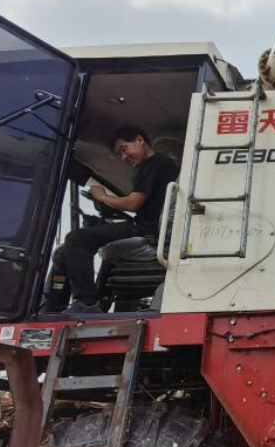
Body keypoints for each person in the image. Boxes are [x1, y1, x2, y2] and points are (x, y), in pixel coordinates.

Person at [49, 126, 180, 314]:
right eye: (120, 155)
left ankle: (86, 303)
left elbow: (133, 203)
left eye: (124, 150)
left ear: (139, 140)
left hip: (146, 231)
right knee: (99, 238)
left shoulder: (155, 163)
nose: (125, 158)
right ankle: (101, 300)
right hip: (146, 227)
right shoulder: (163, 165)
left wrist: (102, 197)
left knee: (76, 240)